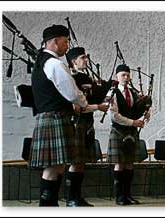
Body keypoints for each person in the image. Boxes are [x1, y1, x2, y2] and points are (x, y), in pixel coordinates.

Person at [29, 24, 88, 206]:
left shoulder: (42, 62)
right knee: (54, 167)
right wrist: (83, 102)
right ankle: (48, 206)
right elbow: (71, 93)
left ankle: (50, 205)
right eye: (65, 41)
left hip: (48, 117)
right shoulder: (54, 63)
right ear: (55, 41)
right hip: (55, 117)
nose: (67, 45)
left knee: (56, 166)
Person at [64, 47, 109, 206]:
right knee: (76, 162)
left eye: (86, 57)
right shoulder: (70, 78)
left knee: (81, 162)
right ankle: (71, 199)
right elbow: (77, 106)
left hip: (88, 123)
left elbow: (92, 99)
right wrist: (97, 107)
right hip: (77, 123)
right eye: (82, 58)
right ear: (73, 61)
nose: (86, 60)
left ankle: (78, 197)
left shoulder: (86, 77)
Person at [106, 64, 151, 205]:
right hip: (119, 131)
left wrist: (146, 111)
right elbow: (114, 116)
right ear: (116, 77)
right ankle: (119, 196)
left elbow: (138, 108)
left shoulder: (133, 92)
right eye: (123, 75)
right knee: (119, 164)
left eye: (127, 75)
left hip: (131, 132)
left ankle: (128, 195)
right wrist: (133, 123)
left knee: (130, 164)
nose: (126, 77)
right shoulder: (111, 93)